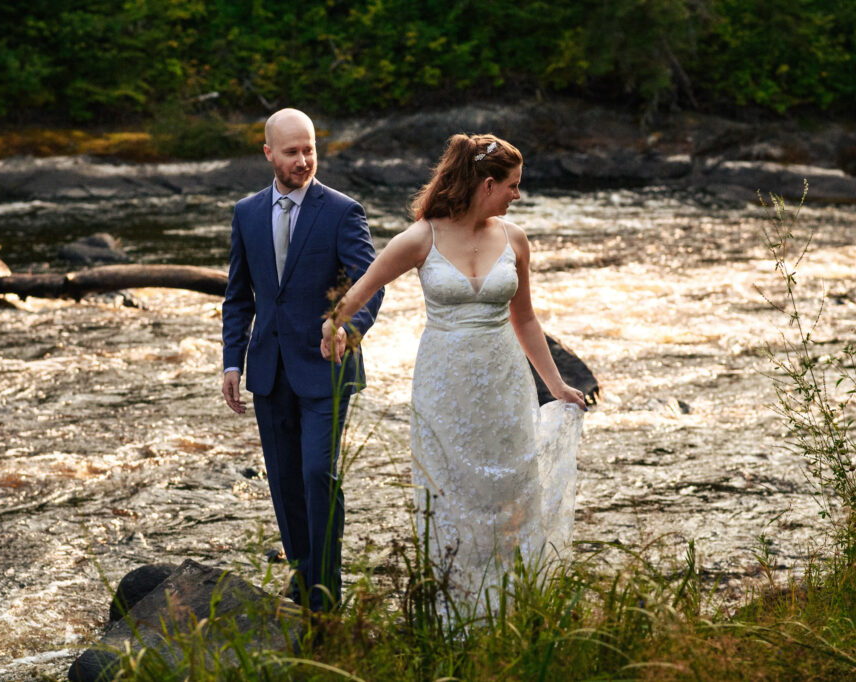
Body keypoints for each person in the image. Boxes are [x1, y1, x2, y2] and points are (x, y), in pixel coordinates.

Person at [321, 133, 586, 609]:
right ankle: (454, 611)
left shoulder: (515, 240)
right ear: (487, 184)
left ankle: (512, 605)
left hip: (505, 381)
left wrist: (556, 386)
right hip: (445, 386)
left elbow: (524, 319)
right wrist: (336, 325)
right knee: (451, 494)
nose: (517, 195)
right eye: (513, 185)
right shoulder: (422, 237)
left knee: (511, 487)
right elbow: (364, 287)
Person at [221, 109, 383, 612]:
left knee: (318, 474)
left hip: (326, 369)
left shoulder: (341, 210)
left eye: (309, 149)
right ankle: (302, 575)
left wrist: (347, 328)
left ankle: (325, 590)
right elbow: (238, 296)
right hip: (268, 368)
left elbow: (369, 285)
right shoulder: (247, 213)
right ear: (269, 153)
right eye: (291, 151)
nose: (303, 160)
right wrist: (232, 362)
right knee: (286, 478)